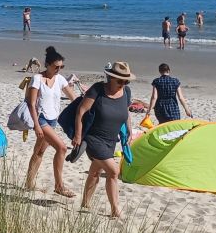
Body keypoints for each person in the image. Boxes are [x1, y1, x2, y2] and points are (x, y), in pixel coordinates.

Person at [72, 61, 133, 220]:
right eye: (120, 80)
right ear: (111, 77)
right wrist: (78, 135)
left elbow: (126, 113)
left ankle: (85, 202)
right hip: (94, 138)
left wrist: (129, 131)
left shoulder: (126, 92)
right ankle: (115, 209)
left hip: (111, 139)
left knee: (95, 171)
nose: (123, 84)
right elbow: (81, 111)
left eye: (126, 81)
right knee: (114, 171)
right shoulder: (97, 90)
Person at [23, 46, 77, 198]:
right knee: (61, 148)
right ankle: (59, 186)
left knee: (39, 152)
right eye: (56, 67)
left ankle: (29, 182)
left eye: (61, 67)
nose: (59, 69)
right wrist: (36, 125)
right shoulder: (37, 79)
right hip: (41, 119)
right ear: (47, 65)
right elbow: (31, 103)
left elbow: (74, 99)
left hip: (53, 120)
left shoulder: (60, 79)